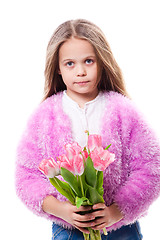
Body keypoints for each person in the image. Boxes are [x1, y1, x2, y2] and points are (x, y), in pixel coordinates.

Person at [15, 19, 160, 240]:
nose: (80, 71)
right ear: (58, 68)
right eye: (70, 63)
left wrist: (116, 211)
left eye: (89, 61)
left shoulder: (124, 111)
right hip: (69, 231)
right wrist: (62, 210)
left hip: (121, 230)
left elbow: (151, 168)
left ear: (102, 62)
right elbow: (26, 178)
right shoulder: (43, 117)